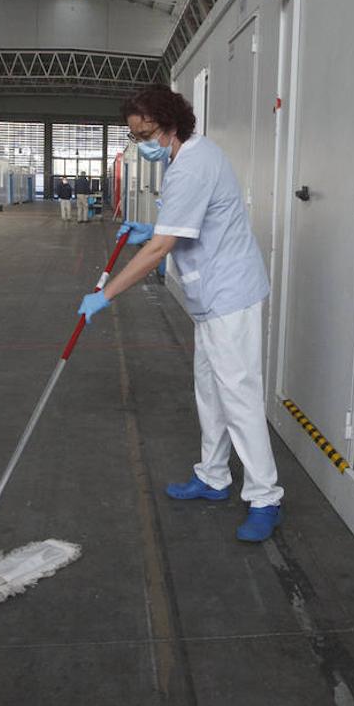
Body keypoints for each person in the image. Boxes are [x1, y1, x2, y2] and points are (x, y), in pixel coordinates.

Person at [76, 85, 283, 543]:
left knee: (239, 396)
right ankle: (212, 477)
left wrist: (106, 294)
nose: (141, 143)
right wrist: (153, 227)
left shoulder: (192, 165)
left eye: (144, 133)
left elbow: (163, 248)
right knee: (209, 390)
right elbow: (186, 226)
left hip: (230, 295)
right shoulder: (185, 158)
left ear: (169, 124)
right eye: (134, 136)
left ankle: (265, 496)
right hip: (210, 296)